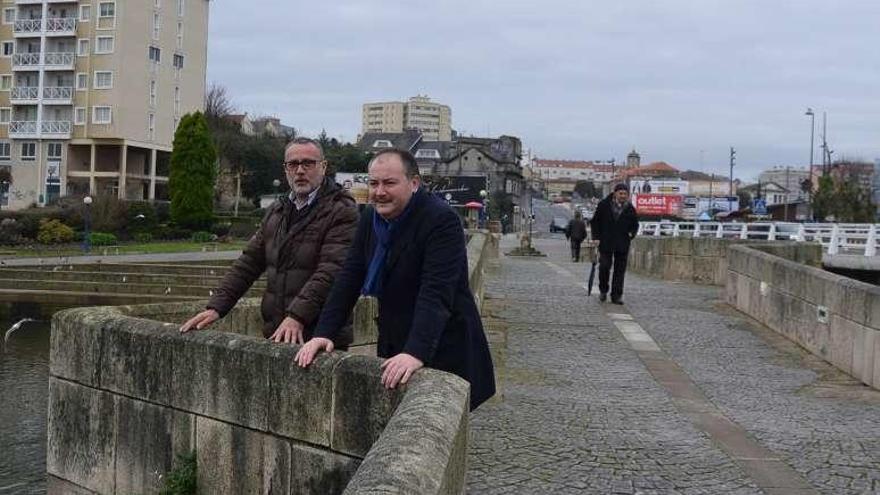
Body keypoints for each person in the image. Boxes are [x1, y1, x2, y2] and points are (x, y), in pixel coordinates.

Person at [295, 149, 496, 411]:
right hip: (394, 339)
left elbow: (435, 292)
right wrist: (324, 333)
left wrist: (416, 352)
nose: (379, 192)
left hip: (443, 345)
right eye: (374, 183)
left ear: (414, 183)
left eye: (389, 183)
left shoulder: (441, 220)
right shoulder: (371, 217)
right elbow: (349, 277)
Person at [179, 137, 359, 347]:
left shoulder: (341, 210)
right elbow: (249, 263)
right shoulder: (277, 210)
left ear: (323, 167)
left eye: (308, 163)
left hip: (321, 336)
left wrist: (297, 317)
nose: (300, 170)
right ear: (285, 169)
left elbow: (331, 271)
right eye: (293, 164)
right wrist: (216, 307)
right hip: (279, 331)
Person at [590, 183, 639, 304]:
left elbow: (635, 225)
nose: (623, 196)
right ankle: (603, 289)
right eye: (621, 193)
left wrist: (631, 234)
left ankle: (616, 295)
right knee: (604, 267)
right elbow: (595, 222)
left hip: (622, 243)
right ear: (615, 193)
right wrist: (596, 237)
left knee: (619, 270)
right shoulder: (604, 205)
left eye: (625, 194)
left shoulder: (630, 209)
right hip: (606, 241)